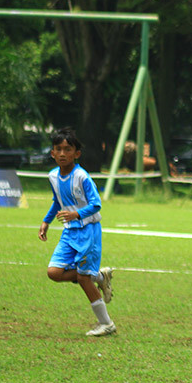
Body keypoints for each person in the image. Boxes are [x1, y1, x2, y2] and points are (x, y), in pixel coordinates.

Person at [38, 127, 116, 337]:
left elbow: (96, 204)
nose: (63, 153)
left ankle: (106, 323)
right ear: (52, 153)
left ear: (76, 153)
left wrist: (77, 214)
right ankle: (98, 276)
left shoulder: (81, 176)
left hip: (88, 231)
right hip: (69, 233)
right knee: (53, 273)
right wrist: (46, 221)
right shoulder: (53, 176)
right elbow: (58, 201)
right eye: (58, 149)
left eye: (67, 149)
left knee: (82, 279)